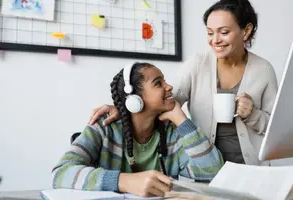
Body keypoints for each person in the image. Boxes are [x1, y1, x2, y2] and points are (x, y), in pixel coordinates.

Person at [87, 0, 278, 166]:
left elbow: (278, 131)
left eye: (224, 32)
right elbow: (164, 101)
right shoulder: (197, 64)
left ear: (246, 31)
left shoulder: (263, 70)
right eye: (210, 33)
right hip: (204, 165)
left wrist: (252, 115)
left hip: (252, 167)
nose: (215, 40)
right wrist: (124, 108)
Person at [51, 62, 224, 197]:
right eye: (158, 83)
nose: (169, 86)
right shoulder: (104, 127)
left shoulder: (173, 132)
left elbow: (212, 173)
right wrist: (124, 181)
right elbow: (60, 173)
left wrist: (182, 121)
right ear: (134, 99)